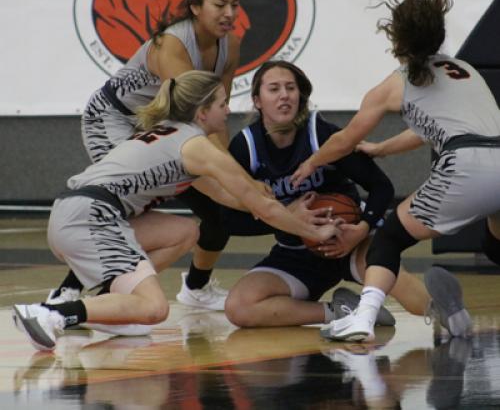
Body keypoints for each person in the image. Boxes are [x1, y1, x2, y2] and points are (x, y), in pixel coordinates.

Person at [13, 70, 340, 352]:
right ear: (202, 112)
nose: (227, 111)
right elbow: (259, 205)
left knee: (184, 232)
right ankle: (51, 314)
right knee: (155, 308)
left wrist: (272, 203)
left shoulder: (171, 133)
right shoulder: (196, 146)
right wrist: (312, 231)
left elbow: (229, 196)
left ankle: (118, 305)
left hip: (74, 212)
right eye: (222, 104)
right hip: (91, 218)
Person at [290, 0, 500, 342]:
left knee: (389, 238)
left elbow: (345, 140)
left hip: (466, 165)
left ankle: (363, 318)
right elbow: (431, 130)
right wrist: (384, 149)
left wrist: (312, 161)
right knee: (496, 241)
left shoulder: (397, 82)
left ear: (395, 38)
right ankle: (469, 333)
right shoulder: (464, 70)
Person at [48, 0, 245, 311]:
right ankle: (71, 290)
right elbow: (189, 116)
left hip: (160, 125)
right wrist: (239, 182)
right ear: (195, 6)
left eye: (235, 4)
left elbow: (214, 117)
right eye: (220, 5)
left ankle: (193, 288)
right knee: (122, 202)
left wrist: (230, 170)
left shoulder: (231, 44)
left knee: (216, 209)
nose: (229, 13)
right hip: (114, 117)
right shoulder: (172, 44)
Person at [223, 61, 432, 329]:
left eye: (290, 88)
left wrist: (362, 227)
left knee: (411, 296)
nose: (284, 95)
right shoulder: (245, 147)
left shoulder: (319, 134)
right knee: (239, 308)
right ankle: (340, 312)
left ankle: (447, 314)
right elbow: (228, 220)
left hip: (349, 240)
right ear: (257, 101)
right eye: (273, 89)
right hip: (295, 253)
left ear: (300, 96)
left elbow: (381, 187)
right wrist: (283, 218)